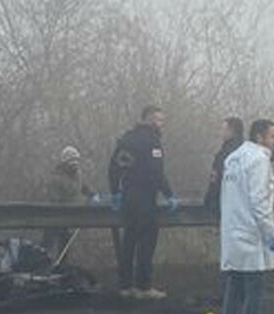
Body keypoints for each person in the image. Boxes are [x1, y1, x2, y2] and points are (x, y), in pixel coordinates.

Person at [219, 119, 274, 314]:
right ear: (260, 136)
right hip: (251, 233)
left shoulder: (233, 157)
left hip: (233, 230)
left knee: (234, 287)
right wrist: (271, 233)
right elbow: (259, 202)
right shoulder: (259, 160)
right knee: (254, 290)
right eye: (272, 136)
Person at [108, 105, 180, 300]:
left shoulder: (127, 139)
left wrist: (115, 192)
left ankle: (125, 286)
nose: (160, 124)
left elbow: (114, 167)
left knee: (128, 240)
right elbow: (155, 172)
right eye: (158, 120)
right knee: (146, 241)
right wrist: (169, 194)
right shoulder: (152, 141)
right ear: (149, 119)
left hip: (127, 196)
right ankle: (144, 286)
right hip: (145, 198)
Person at [42, 146, 93, 257]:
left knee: (64, 248)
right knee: (47, 247)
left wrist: (93, 196)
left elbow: (84, 187)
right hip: (54, 217)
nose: (74, 165)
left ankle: (61, 268)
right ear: (65, 163)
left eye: (76, 161)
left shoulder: (78, 174)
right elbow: (54, 200)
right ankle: (41, 265)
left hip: (70, 218)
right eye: (71, 162)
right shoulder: (56, 178)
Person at [204, 117, 245, 213]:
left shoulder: (225, 153)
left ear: (231, 131)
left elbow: (216, 177)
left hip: (225, 201)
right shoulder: (246, 150)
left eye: (223, 129)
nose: (221, 133)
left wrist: (209, 198)